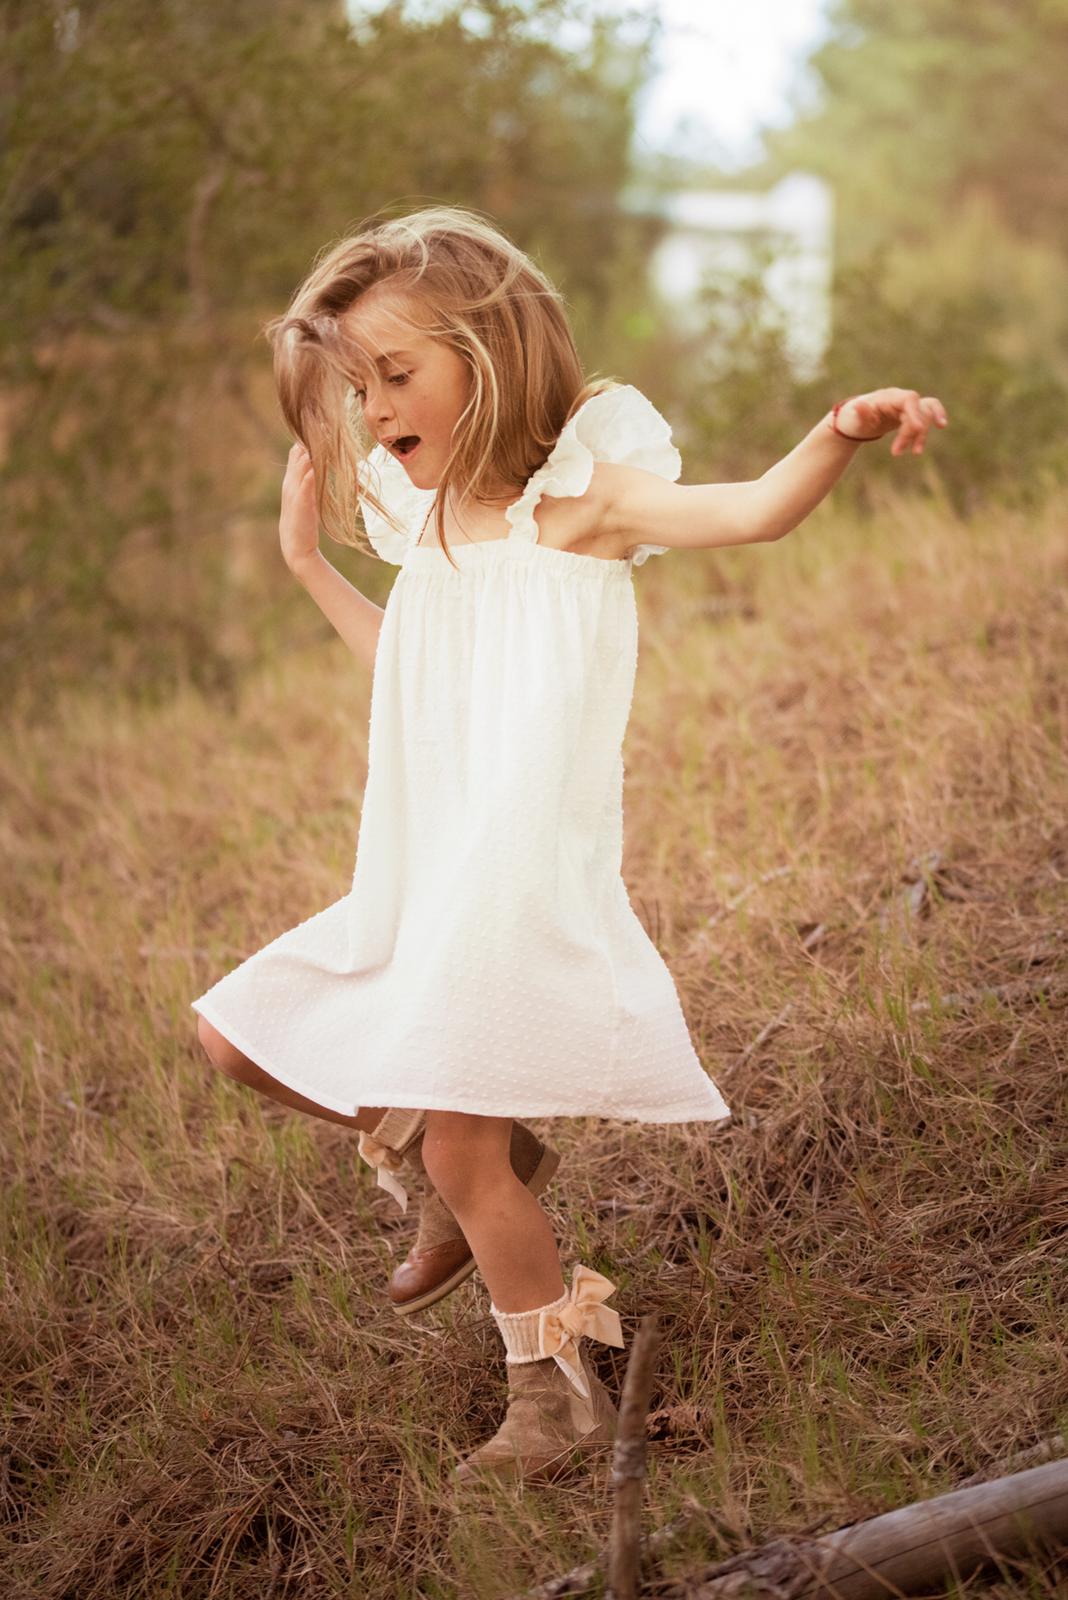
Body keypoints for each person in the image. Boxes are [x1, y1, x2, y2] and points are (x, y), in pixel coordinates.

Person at [191, 204, 949, 1486]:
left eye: (395, 374)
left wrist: (837, 431)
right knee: (232, 1035)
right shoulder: (425, 531)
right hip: (424, 879)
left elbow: (755, 510)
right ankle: (454, 1177)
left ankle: (556, 1402)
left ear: (485, 355)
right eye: (358, 387)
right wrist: (315, 569)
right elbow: (410, 682)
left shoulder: (581, 505)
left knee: (466, 1147)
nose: (374, 411)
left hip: (515, 883)